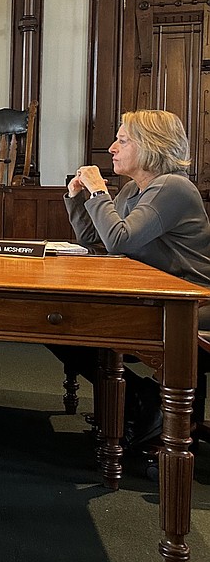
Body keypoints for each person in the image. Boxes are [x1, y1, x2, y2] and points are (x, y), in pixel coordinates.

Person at [49, 109, 210, 446]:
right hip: (155, 296)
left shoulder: (172, 187)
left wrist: (97, 192)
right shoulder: (133, 191)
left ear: (151, 146)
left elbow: (120, 240)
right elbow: (96, 240)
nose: (111, 148)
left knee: (70, 326)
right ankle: (142, 400)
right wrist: (77, 197)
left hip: (190, 302)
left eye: (122, 141)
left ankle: (144, 401)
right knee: (56, 324)